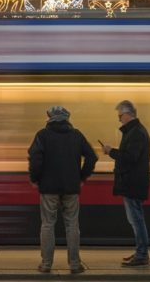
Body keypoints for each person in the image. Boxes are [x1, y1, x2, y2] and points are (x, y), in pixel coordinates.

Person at [28, 105, 98, 275]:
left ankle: (46, 264)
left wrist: (35, 179)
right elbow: (91, 157)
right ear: (67, 118)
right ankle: (74, 264)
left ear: (50, 118)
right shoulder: (76, 135)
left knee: (47, 224)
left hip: (49, 188)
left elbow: (35, 160)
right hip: (71, 188)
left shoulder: (42, 135)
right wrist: (82, 177)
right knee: (72, 224)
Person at [101, 100, 150, 267]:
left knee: (136, 220)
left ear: (128, 114)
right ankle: (140, 252)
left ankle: (142, 254)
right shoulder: (134, 131)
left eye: (120, 115)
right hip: (132, 182)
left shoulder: (136, 133)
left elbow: (129, 158)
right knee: (136, 219)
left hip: (132, 183)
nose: (119, 119)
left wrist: (111, 152)